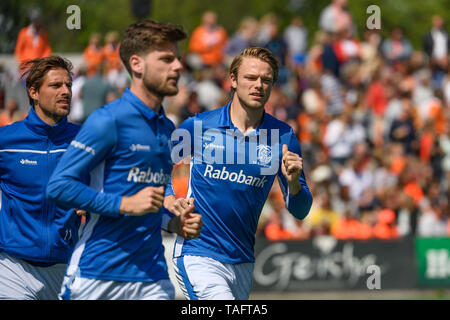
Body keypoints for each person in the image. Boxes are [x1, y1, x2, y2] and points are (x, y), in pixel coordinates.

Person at [46, 20, 202, 300]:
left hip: (153, 276)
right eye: (167, 59)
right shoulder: (108, 120)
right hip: (97, 274)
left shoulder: (167, 129)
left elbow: (155, 195)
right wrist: (124, 204)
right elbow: (59, 186)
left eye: (177, 58)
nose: (178, 66)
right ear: (137, 64)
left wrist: (174, 222)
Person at [165, 46, 312, 300]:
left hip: (243, 261)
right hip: (198, 252)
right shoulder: (198, 126)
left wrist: (294, 185)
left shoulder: (282, 136)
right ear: (232, 80)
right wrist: (170, 202)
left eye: (266, 80)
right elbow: (156, 170)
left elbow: (301, 210)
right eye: (251, 78)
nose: (259, 85)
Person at [0, 56, 83, 299]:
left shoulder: (86, 141)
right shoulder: (6, 141)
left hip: (65, 269)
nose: (66, 91)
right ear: (33, 92)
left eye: (68, 85)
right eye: (56, 85)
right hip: (12, 268)